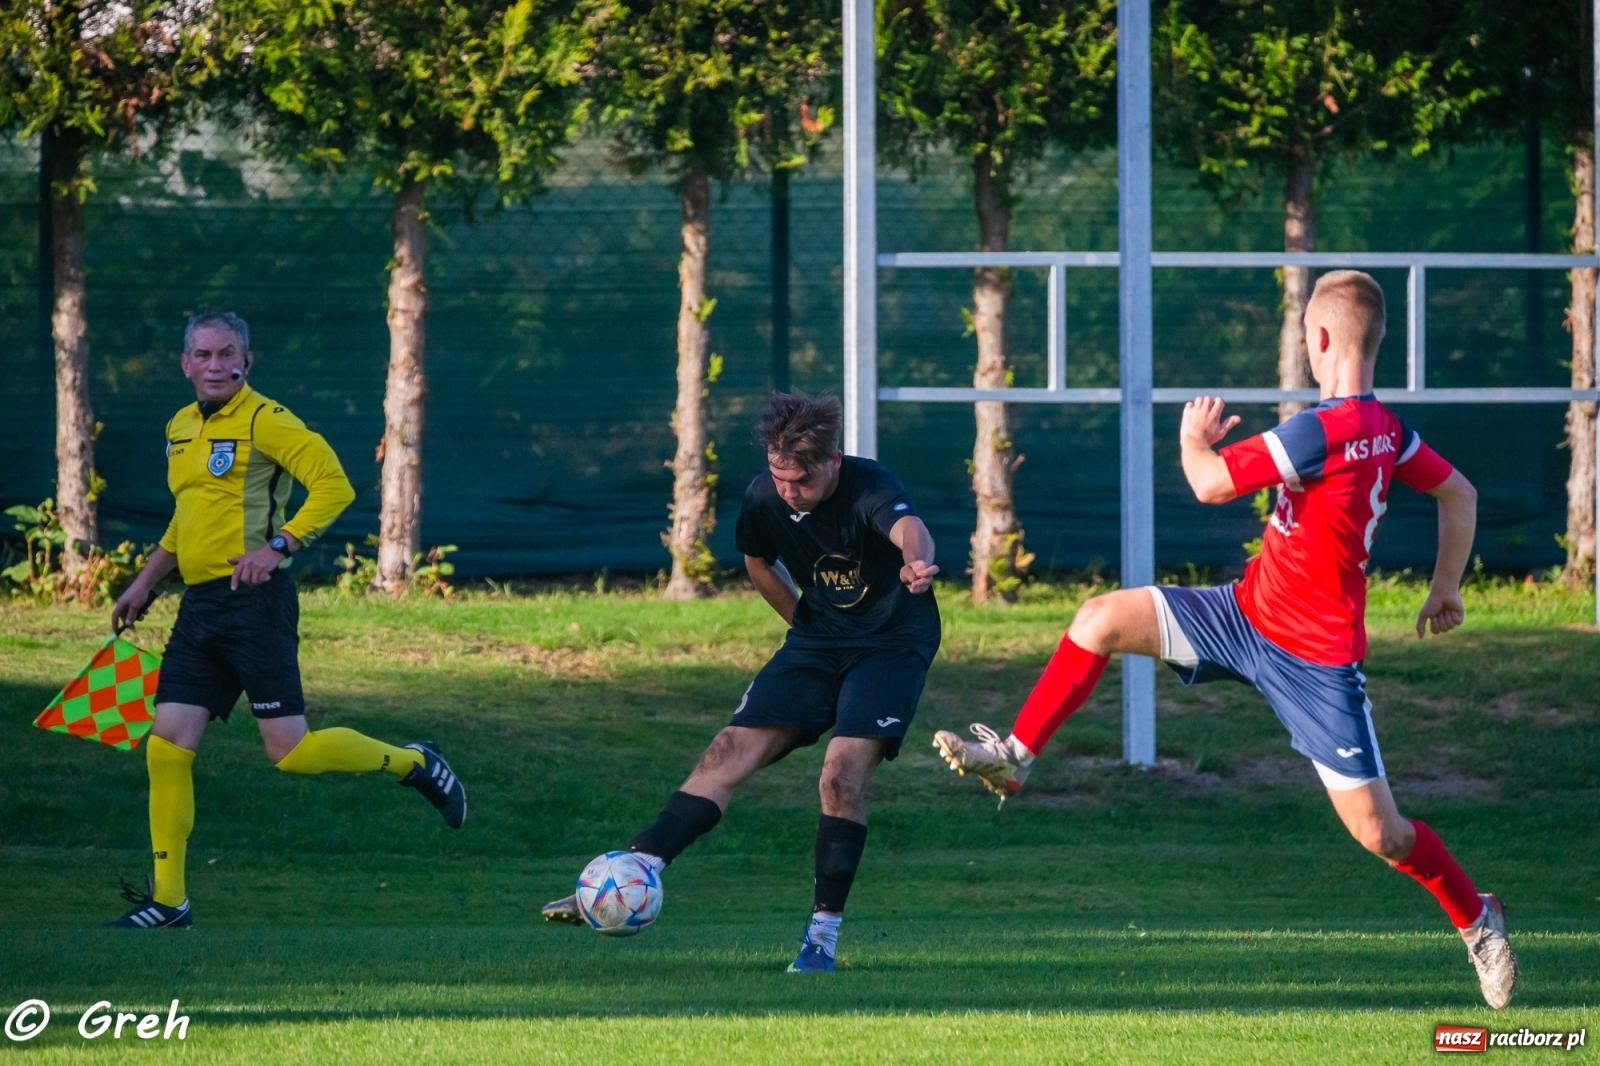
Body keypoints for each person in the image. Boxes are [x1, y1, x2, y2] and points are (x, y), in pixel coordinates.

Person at [931, 271, 1518, 1009]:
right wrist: (1446, 586)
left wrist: (1190, 437)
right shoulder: (1388, 431)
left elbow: (1209, 483)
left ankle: (1478, 919)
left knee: (1383, 834)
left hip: (1316, 664)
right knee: (1099, 619)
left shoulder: (1322, 428)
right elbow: (1458, 491)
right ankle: (1013, 758)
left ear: (1321, 340)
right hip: (1244, 614)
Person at [541, 391, 941, 972]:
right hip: (817, 642)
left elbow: (909, 528)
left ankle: (821, 938)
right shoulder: (764, 498)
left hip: (891, 644)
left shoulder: (868, 485)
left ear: (832, 462)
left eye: (800, 480)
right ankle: (633, 873)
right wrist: (803, 624)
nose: (787, 491)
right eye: (779, 477)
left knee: (839, 776)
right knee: (725, 751)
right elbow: (758, 560)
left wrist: (916, 562)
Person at [107, 311, 466, 929]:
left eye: (227, 354)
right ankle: (169, 901)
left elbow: (334, 485)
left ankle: (414, 762)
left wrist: (278, 547)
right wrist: (143, 583)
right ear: (185, 363)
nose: (216, 366)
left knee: (291, 753)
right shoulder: (180, 426)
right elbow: (186, 515)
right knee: (165, 748)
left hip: (256, 605)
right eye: (203, 355)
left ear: (248, 360)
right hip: (199, 609)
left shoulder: (267, 420)